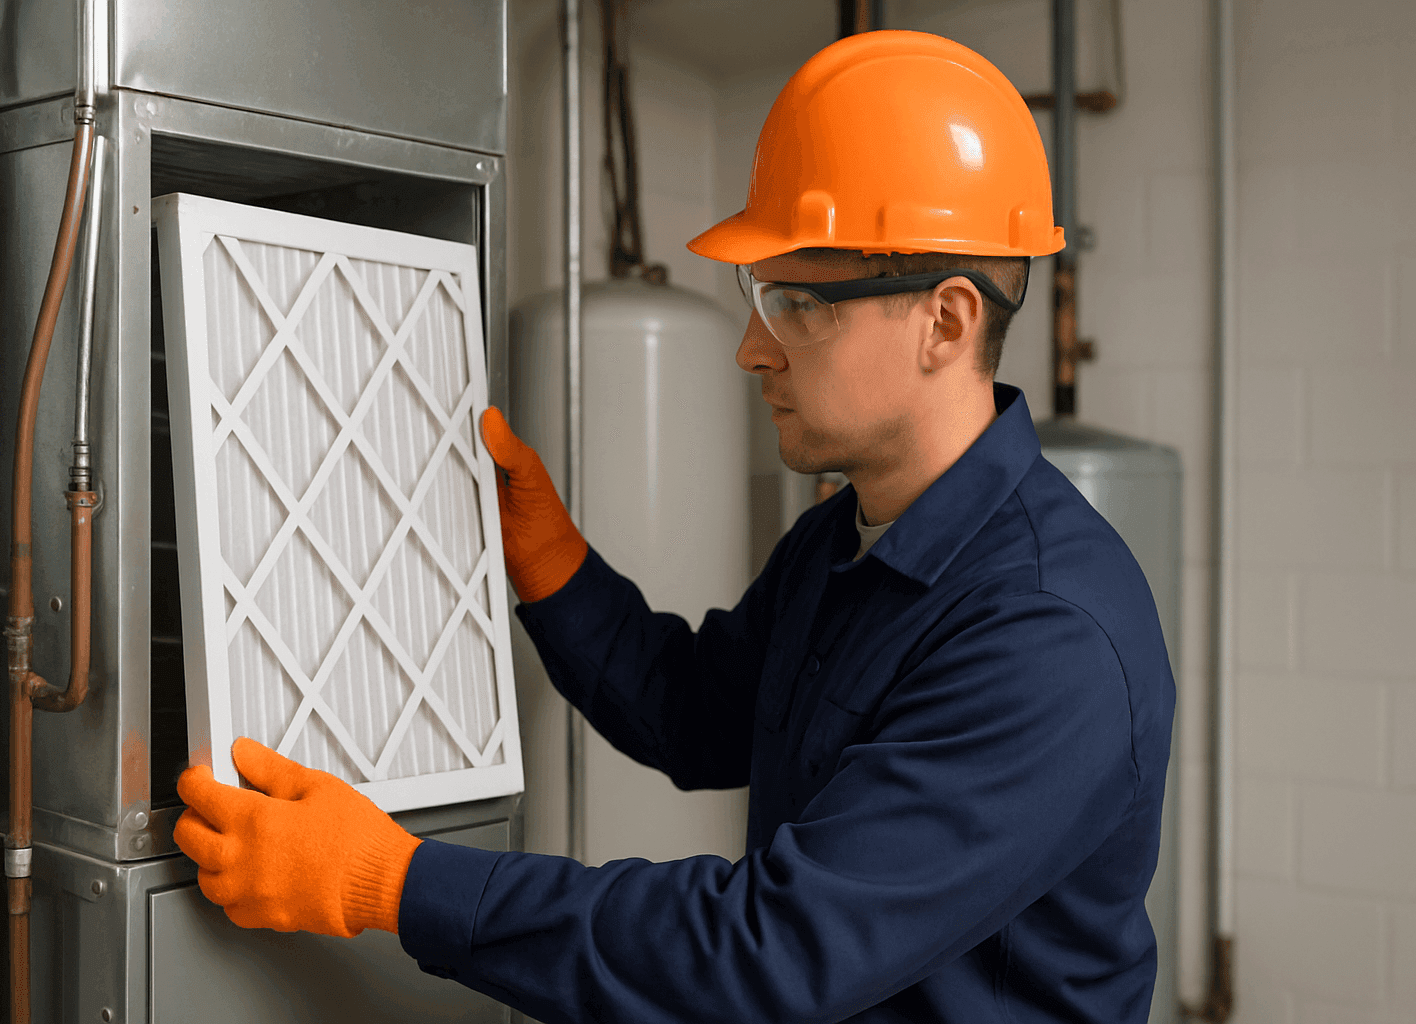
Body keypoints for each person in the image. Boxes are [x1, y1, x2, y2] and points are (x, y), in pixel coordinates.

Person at [174, 30, 1175, 1024]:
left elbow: (771, 951)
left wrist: (393, 883)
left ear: (946, 322)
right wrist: (552, 563)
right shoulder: (846, 540)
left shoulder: (1047, 638)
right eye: (757, 296)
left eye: (795, 301)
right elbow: (698, 712)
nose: (751, 346)